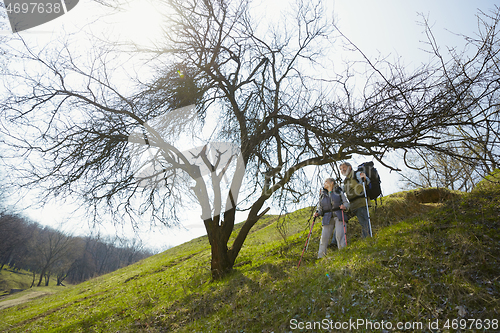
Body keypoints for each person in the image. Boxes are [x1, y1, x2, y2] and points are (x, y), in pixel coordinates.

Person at [314, 178, 349, 258]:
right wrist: (317, 213)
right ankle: (320, 257)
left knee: (339, 235)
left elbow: (346, 203)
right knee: (324, 237)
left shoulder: (339, 191)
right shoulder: (322, 194)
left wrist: (345, 207)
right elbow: (320, 208)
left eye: (326, 181)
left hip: (339, 215)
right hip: (327, 217)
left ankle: (343, 253)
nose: (324, 183)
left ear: (332, 183)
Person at [338, 162, 372, 239]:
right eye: (340, 169)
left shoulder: (356, 174)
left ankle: (368, 239)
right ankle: (335, 242)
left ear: (349, 167)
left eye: (344, 167)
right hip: (352, 205)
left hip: (360, 202)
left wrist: (364, 178)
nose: (342, 170)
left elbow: (366, 180)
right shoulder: (346, 181)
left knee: (364, 222)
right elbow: (340, 191)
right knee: (342, 219)